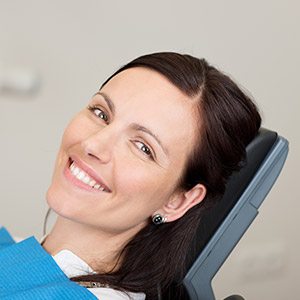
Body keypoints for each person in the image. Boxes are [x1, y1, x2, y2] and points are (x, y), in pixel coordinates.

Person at [2, 52, 261, 300]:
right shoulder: (18, 249)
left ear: (177, 201)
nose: (93, 144)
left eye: (143, 147)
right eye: (101, 113)